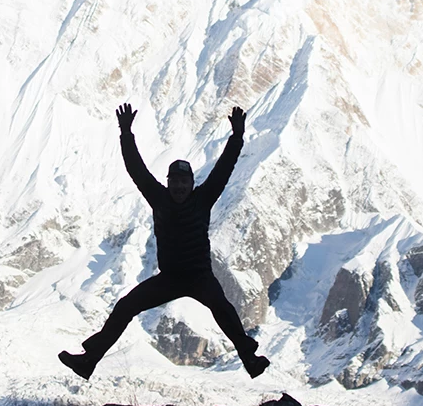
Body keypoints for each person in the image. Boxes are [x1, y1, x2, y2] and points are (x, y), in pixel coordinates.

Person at [59, 102, 270, 380]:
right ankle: (88, 362)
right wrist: (126, 133)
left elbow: (224, 168)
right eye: (175, 181)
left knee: (223, 309)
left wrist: (237, 137)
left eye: (185, 182)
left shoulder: (203, 199)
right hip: (169, 278)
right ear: (168, 182)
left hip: (199, 277)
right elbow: (136, 169)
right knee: (125, 306)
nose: (180, 187)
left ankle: (250, 360)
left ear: (192, 183)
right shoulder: (158, 198)